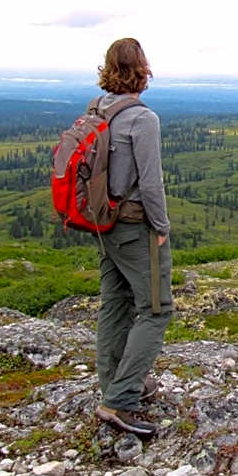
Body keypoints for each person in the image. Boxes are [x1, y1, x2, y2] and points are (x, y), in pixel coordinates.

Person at [92, 38, 173, 437]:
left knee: (116, 302)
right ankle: (120, 400)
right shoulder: (143, 118)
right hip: (134, 226)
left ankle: (114, 386)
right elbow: (151, 183)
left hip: (104, 225)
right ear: (142, 68)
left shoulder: (99, 110)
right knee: (156, 310)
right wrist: (161, 228)